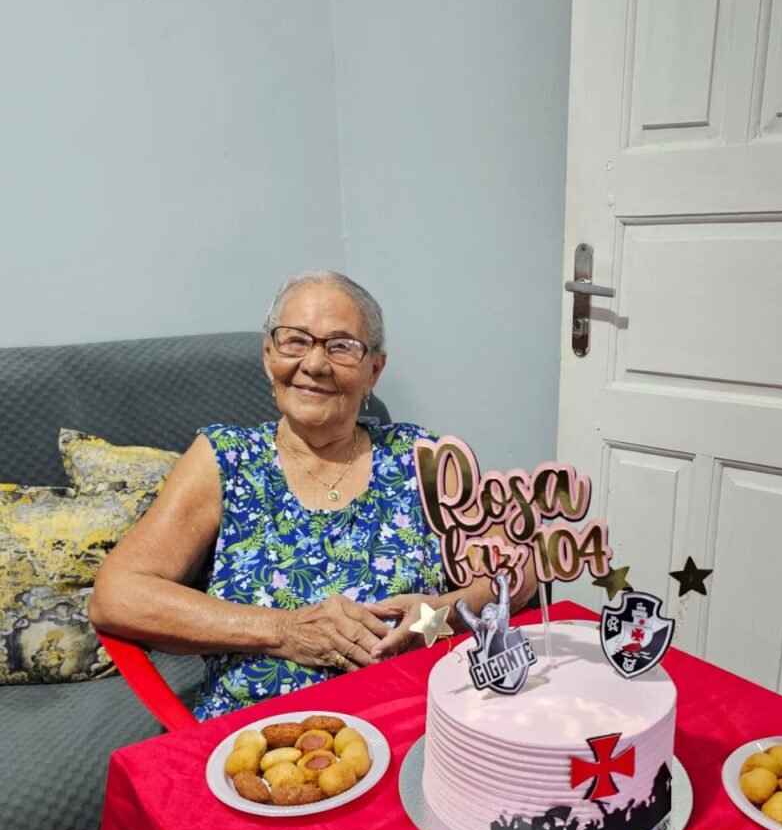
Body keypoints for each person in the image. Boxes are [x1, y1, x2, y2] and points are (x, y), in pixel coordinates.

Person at [89, 271, 533, 718]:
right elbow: (116, 596)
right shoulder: (225, 458)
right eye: (295, 341)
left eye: (341, 346)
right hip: (259, 738)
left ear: (373, 371)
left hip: (414, 718)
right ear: (268, 356)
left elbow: (519, 572)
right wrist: (284, 630)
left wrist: (436, 617)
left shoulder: (424, 458)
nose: (315, 364)